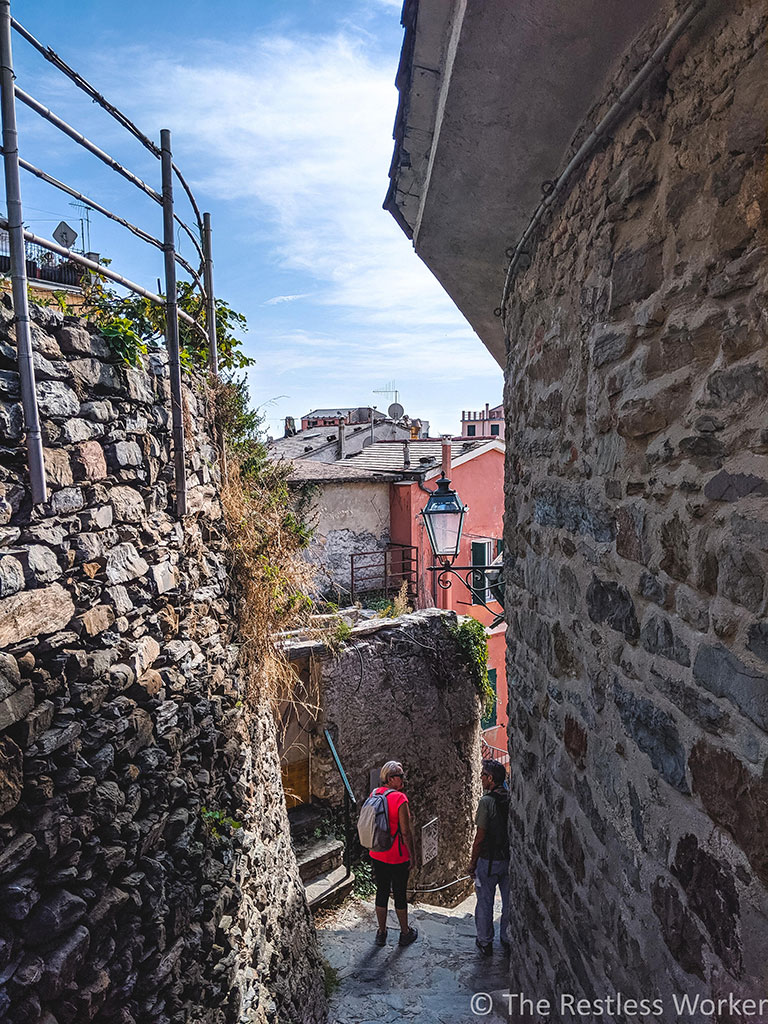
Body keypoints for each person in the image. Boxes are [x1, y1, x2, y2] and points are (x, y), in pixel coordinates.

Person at [369, 759, 418, 947]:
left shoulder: (375, 793)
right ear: (390, 778)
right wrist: (412, 856)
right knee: (399, 893)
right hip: (397, 855)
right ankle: (405, 933)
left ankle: (381, 932)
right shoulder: (400, 799)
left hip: (377, 853)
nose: (403, 778)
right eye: (400, 775)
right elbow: (405, 831)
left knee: (381, 891)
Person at [468, 758, 510, 956]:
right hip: (508, 859)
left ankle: (485, 941)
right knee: (509, 902)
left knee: (485, 902)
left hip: (489, 861)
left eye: (483, 775)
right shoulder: (509, 797)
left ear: (490, 779)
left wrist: (472, 862)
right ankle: (507, 937)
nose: (481, 777)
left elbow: (480, 837)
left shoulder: (487, 802)